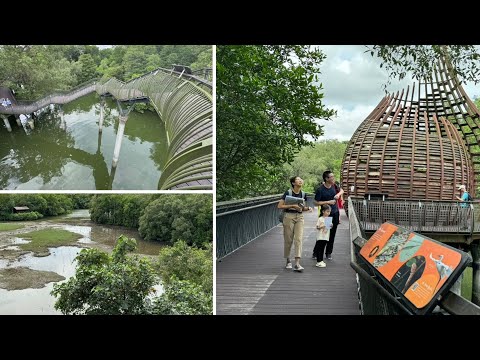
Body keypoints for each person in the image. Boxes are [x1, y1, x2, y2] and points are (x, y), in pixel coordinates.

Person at [278, 176, 313, 272]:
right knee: (288, 239)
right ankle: (288, 260)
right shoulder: (288, 193)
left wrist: (308, 208)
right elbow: (280, 205)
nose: (300, 180)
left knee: (298, 239)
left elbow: (303, 207)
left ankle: (297, 264)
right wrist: (293, 205)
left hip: (300, 217)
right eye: (298, 179)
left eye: (301, 179)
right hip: (289, 216)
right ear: (293, 183)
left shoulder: (303, 194)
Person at [313, 170, 343, 260]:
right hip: (326, 215)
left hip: (335, 213)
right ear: (326, 179)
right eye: (331, 177)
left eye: (333, 176)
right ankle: (316, 252)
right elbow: (315, 202)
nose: (333, 178)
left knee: (332, 234)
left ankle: (328, 252)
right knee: (324, 233)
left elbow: (342, 190)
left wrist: (338, 194)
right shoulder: (320, 189)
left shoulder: (334, 186)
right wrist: (328, 202)